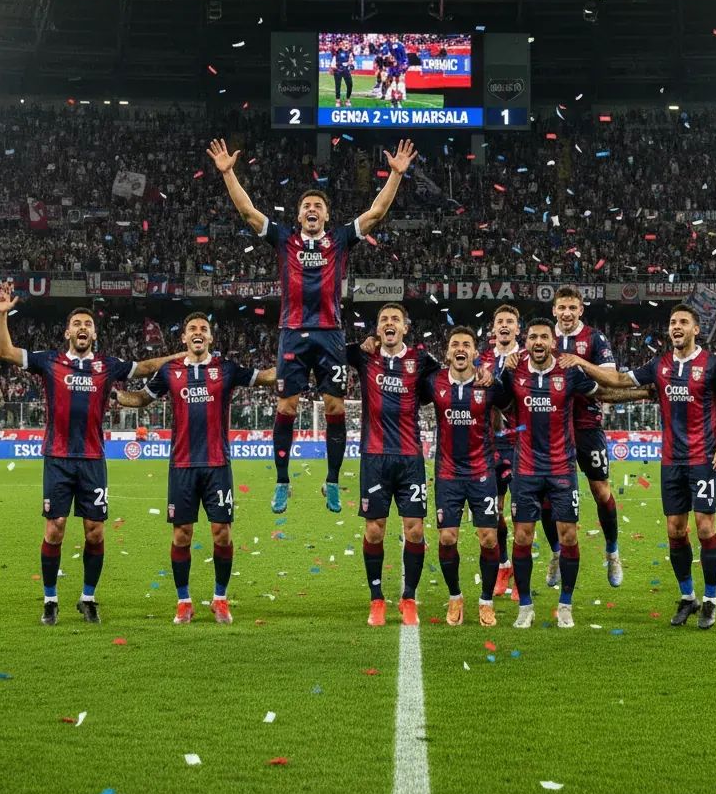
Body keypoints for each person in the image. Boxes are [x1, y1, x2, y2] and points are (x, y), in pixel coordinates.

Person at [207, 136, 417, 515]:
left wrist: (396, 176)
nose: (312, 209)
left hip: (330, 333)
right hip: (291, 332)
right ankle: (283, 482)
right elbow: (248, 213)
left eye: (318, 205)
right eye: (306, 206)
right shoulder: (284, 239)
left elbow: (375, 214)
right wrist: (228, 174)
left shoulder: (338, 240)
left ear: (326, 215)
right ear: (299, 214)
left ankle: (332, 481)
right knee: (286, 406)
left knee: (335, 406)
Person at [0, 282, 183, 626]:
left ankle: (88, 597)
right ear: (67, 332)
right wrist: (1, 314)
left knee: (95, 531)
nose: (83, 328)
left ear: (94, 334)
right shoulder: (49, 361)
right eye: (77, 324)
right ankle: (50, 600)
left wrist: (174, 359)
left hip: (94, 459)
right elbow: (5, 351)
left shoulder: (106, 365)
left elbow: (142, 367)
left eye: (88, 325)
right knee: (56, 528)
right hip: (58, 457)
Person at [565, 304, 716, 630]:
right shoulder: (659, 365)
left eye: (683, 322)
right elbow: (617, 379)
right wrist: (582, 364)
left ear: (695, 329)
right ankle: (688, 597)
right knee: (675, 530)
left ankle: (711, 600)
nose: (676, 326)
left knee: (705, 528)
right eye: (673, 322)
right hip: (671, 461)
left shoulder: (713, 365)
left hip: (703, 458)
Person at [114, 313, 275, 625]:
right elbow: (141, 399)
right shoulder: (170, 371)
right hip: (182, 465)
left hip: (217, 465)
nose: (198, 333)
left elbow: (266, 376)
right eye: (192, 329)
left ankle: (220, 599)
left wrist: (297, 361)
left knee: (222, 534)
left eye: (204, 329)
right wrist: (115, 395)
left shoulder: (226, 370)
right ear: (184, 338)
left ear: (211, 338)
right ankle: (184, 601)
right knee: (182, 535)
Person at [497, 318, 643, 629]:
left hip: (562, 466)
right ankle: (525, 606)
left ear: (552, 342)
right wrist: (499, 371)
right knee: (522, 536)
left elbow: (607, 391)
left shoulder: (570, 372)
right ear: (526, 341)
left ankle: (565, 605)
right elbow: (494, 401)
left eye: (544, 337)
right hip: (525, 468)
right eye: (533, 336)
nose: (538, 342)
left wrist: (645, 393)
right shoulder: (513, 371)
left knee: (569, 536)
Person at [346, 303, 439, 626]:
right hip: (374, 458)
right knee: (374, 530)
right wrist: (360, 344)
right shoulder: (364, 356)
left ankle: (409, 597)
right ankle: (376, 600)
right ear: (377, 328)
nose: (389, 323)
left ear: (405, 328)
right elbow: (331, 351)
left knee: (414, 531)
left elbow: (449, 378)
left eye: (395, 319)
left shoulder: (421, 361)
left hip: (410, 457)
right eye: (383, 320)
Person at [420, 326, 505, 627]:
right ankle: (455, 596)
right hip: (447, 472)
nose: (460, 348)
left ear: (474, 353)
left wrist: (494, 373)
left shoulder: (489, 385)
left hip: (482, 471)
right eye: (455, 343)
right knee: (447, 536)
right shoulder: (434, 382)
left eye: (466, 344)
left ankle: (486, 601)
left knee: (490, 539)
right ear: (447, 352)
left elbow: (513, 403)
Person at [552, 285, 636, 588]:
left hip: (587, 424)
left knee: (601, 491)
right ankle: (556, 552)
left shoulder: (594, 339)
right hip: (552, 427)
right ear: (554, 310)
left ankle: (612, 552)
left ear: (580, 310)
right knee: (551, 494)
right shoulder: (543, 338)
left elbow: (611, 378)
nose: (566, 313)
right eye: (562, 307)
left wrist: (580, 362)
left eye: (572, 308)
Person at [476, 304, 522, 596]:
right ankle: (504, 564)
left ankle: (520, 573)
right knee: (495, 512)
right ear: (493, 329)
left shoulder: (528, 357)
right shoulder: (482, 359)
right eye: (500, 321)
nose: (504, 325)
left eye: (510, 321)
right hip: (488, 443)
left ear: (518, 328)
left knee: (521, 513)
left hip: (520, 441)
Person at [331, 38, 354, 106]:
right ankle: (338, 101)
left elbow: (351, 62)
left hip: (346, 71)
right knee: (338, 86)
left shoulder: (350, 53)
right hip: (338, 71)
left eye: (347, 43)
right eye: (344, 43)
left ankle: (348, 100)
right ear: (341, 45)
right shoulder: (337, 51)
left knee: (350, 85)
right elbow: (333, 48)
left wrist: (349, 64)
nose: (345, 45)